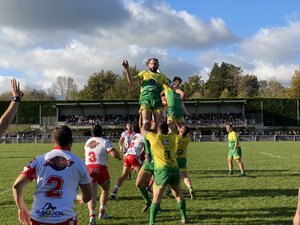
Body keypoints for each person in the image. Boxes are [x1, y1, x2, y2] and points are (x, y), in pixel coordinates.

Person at [12, 125, 92, 225]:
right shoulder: (80, 163)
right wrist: (81, 198)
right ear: (72, 141)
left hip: (38, 218)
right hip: (64, 219)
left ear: (52, 141)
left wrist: (22, 208)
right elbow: (88, 196)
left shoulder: (38, 160)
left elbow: (17, 185)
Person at [142, 122, 187, 224]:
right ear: (167, 129)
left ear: (158, 129)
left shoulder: (154, 138)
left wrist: (145, 121)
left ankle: (151, 223)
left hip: (163, 170)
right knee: (178, 195)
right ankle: (184, 217)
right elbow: (177, 131)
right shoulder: (173, 137)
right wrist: (174, 123)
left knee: (156, 198)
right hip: (175, 169)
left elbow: (143, 131)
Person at [83, 124, 121, 224]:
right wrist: (119, 156)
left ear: (91, 133)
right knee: (105, 189)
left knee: (92, 194)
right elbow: (115, 155)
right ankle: (102, 212)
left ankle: (92, 216)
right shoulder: (105, 141)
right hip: (101, 169)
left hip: (89, 169)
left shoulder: (87, 142)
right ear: (102, 132)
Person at [122, 58, 171, 132]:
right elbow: (131, 81)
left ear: (158, 65)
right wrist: (127, 69)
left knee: (159, 125)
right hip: (146, 100)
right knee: (146, 123)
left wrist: (178, 90)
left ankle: (153, 142)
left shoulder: (162, 76)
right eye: (152, 64)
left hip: (157, 101)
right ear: (148, 65)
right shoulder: (143, 73)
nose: (153, 65)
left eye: (155, 64)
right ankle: (144, 142)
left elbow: (171, 85)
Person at [111, 123, 145, 199]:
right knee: (143, 175)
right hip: (133, 156)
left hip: (127, 155)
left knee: (124, 175)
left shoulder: (134, 136)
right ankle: (146, 194)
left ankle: (114, 191)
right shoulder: (142, 136)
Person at [176, 125, 195, 200]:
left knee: (175, 177)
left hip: (175, 159)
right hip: (183, 159)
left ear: (181, 130)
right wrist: (178, 125)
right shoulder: (187, 139)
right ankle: (190, 188)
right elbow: (182, 132)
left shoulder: (176, 138)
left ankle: (176, 191)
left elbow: (179, 133)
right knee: (184, 176)